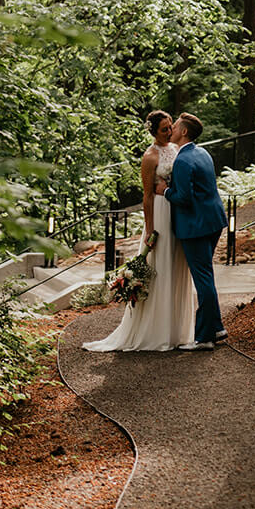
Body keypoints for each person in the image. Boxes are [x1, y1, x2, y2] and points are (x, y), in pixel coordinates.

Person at [83, 109, 196, 353]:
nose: (169, 132)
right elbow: (146, 196)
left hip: (175, 209)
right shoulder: (150, 156)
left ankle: (178, 331)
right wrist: (150, 229)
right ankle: (157, 332)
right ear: (154, 131)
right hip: (159, 213)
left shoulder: (176, 150)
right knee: (160, 267)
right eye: (164, 129)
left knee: (176, 266)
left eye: (170, 127)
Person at [160, 113, 227, 350]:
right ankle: (217, 327)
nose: (172, 130)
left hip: (196, 226)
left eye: (175, 126)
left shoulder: (183, 160)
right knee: (206, 274)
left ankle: (205, 337)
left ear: (184, 132)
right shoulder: (203, 153)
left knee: (203, 279)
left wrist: (165, 191)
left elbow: (184, 199)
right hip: (213, 221)